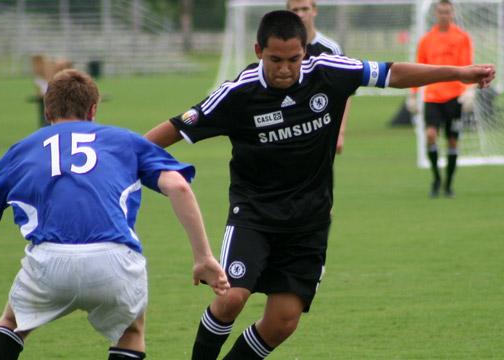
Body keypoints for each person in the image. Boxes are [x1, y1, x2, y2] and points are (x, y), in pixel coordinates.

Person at [144, 10, 494, 359]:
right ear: (257, 51)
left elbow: (393, 72)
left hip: (309, 221)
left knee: (283, 321)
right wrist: (118, 155)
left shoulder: (329, 72)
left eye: (293, 59)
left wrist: (460, 73)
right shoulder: (238, 93)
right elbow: (177, 127)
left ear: (306, 53)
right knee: (232, 298)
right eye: (275, 59)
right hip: (254, 215)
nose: (284, 68)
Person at [0, 69, 230, 360]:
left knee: (12, 323)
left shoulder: (21, 150)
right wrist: (202, 257)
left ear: (47, 112)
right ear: (93, 110)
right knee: (130, 334)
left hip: (49, 262)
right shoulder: (123, 140)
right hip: (114, 259)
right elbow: (179, 187)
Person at [407, 0, 474, 198]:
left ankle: (448, 184)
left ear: (452, 13)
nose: (444, 15)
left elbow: (467, 66)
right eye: (441, 12)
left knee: (452, 141)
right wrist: (413, 94)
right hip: (433, 96)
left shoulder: (462, 38)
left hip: (455, 97)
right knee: (430, 135)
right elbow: (418, 69)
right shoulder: (427, 40)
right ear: (436, 14)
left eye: (448, 12)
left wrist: (469, 91)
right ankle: (436, 178)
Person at [287, 0, 349, 154]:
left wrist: (340, 131)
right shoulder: (281, 49)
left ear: (314, 10)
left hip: (321, 130)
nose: (300, 14)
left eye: (304, 9)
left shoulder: (330, 49)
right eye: (295, 10)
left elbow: (345, 91)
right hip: (286, 130)